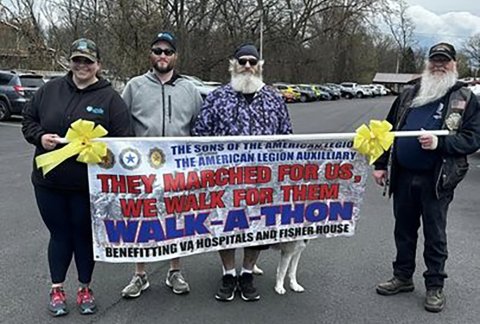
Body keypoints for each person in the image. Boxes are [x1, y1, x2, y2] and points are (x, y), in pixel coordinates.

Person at [22, 38, 132, 316]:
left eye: (88, 61)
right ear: (70, 62)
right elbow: (28, 121)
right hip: (49, 183)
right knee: (59, 235)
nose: (82, 65)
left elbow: (124, 140)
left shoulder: (110, 98)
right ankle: (57, 289)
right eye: (77, 60)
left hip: (88, 187)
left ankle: (85, 287)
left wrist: (104, 153)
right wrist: (39, 137)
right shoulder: (49, 91)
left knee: (83, 236)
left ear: (98, 64)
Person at [373, 42, 480, 313]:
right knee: (404, 230)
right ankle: (402, 276)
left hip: (437, 178)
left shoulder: (465, 98)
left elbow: (473, 138)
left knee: (435, 234)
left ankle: (435, 286)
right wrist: (381, 163)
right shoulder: (410, 93)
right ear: (428, 63)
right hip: (404, 175)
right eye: (435, 60)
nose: (439, 65)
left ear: (454, 64)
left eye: (444, 60)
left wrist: (440, 144)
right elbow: (387, 131)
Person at [192, 43, 293, 301]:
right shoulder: (216, 97)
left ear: (259, 66)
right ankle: (228, 273)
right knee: (224, 225)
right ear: (233, 64)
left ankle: (247, 273)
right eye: (242, 61)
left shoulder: (274, 98)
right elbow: (200, 135)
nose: (247, 66)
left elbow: (286, 137)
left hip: (262, 180)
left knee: (256, 226)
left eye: (252, 61)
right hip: (224, 180)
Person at [120, 31, 203, 298]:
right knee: (142, 218)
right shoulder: (134, 86)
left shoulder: (190, 89)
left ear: (176, 56)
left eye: (168, 52)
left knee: (177, 219)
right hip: (143, 167)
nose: (163, 56)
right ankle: (140, 274)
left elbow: (200, 128)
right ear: (150, 54)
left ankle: (175, 271)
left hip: (178, 168)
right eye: (158, 51)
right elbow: (121, 127)